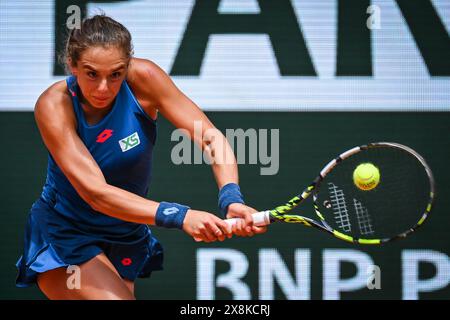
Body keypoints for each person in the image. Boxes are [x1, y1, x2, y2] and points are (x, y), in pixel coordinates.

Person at [15, 14, 266, 300]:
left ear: (127, 67)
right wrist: (180, 216)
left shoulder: (145, 79)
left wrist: (231, 197)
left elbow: (209, 138)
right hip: (66, 232)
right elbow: (96, 194)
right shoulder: (53, 105)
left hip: (124, 235)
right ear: (72, 65)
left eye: (116, 74)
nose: (103, 88)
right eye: (91, 73)